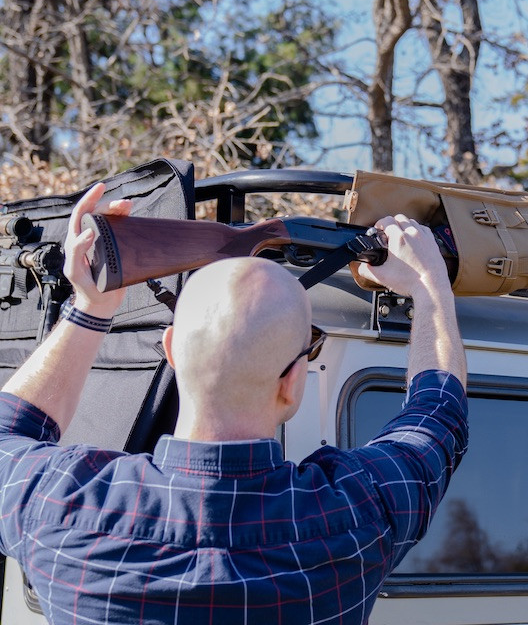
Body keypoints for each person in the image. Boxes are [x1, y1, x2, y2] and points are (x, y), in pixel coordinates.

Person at [0, 183, 468, 624]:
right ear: (293, 379)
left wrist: (91, 307)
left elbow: (8, 430)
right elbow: (438, 415)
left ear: (172, 352)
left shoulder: (59, 502)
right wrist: (430, 289)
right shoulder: (357, 513)